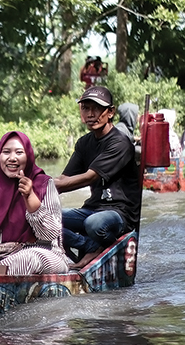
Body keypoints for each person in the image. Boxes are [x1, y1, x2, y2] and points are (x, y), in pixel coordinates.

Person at [0, 131, 68, 275]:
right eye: (6, 152)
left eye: (19, 152)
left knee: (28, 258)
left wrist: (29, 197)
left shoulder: (44, 184)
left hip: (44, 254)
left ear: (28, 156)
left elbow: (50, 235)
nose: (12, 158)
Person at [56, 86, 141, 269]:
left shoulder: (120, 143)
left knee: (94, 224)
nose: (91, 114)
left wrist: (48, 186)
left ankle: (95, 249)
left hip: (119, 213)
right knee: (48, 220)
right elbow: (63, 178)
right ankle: (82, 255)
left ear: (110, 112)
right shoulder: (84, 143)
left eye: (96, 108)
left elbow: (89, 177)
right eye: (86, 108)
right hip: (93, 208)